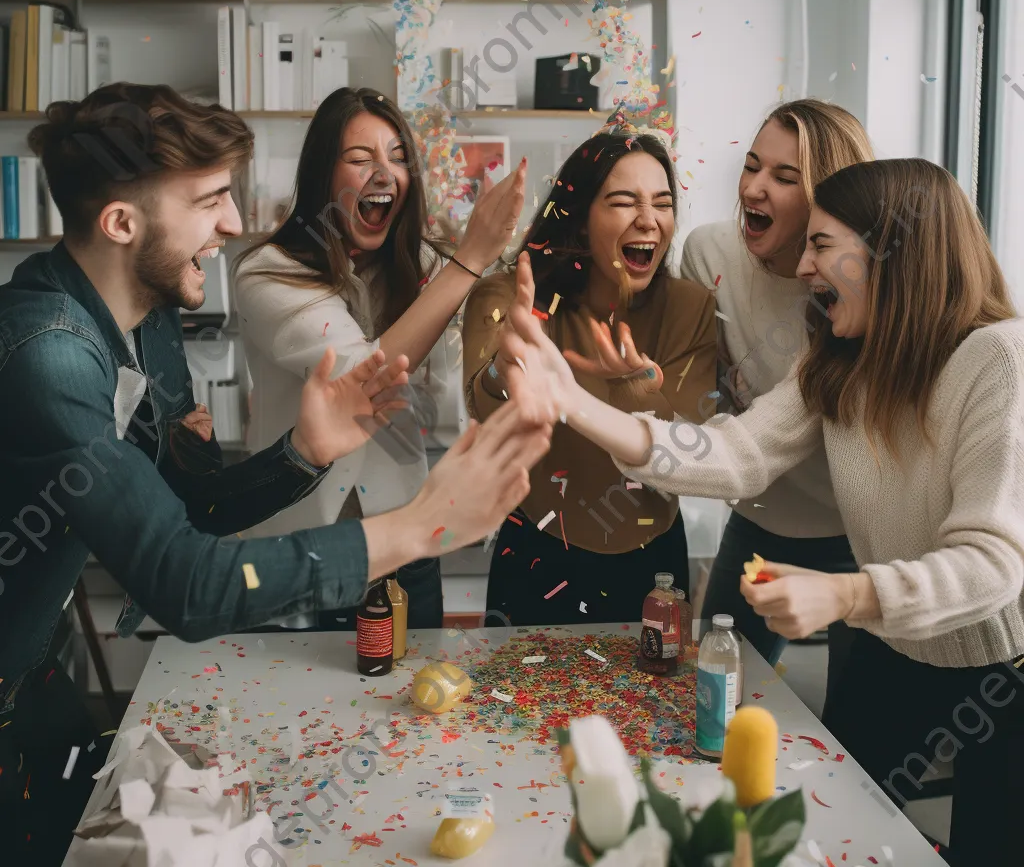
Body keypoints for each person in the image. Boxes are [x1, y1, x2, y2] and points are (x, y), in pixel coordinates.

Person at [0, 83, 550, 866]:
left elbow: (191, 505)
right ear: (121, 223)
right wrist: (419, 527)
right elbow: (183, 582)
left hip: (35, 670)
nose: (232, 223)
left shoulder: (147, 314)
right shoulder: (47, 355)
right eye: (211, 200)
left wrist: (304, 453)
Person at [500, 158, 1024, 865]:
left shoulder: (997, 358)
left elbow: (992, 563)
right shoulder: (837, 360)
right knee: (849, 834)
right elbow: (734, 454)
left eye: (822, 244)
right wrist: (575, 402)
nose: (803, 267)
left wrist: (846, 592)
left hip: (1003, 667)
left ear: (894, 254)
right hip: (890, 651)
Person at [234, 86, 526, 631]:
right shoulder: (267, 271)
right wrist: (469, 260)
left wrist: (504, 358)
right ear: (322, 175)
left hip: (405, 540)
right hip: (301, 546)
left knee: (413, 705)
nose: (383, 174)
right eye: (359, 158)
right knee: (295, 710)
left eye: (397, 158)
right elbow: (359, 379)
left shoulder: (423, 267)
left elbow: (453, 388)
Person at [462, 128, 717, 626]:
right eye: (624, 202)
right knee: (520, 704)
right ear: (579, 222)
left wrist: (636, 387)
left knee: (653, 703)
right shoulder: (510, 296)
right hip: (536, 554)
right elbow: (483, 404)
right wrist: (505, 368)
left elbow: (692, 444)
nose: (648, 219)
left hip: (654, 564)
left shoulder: (690, 306)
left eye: (662, 203)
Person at [679, 98, 874, 694]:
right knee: (711, 694)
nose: (753, 188)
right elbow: (701, 397)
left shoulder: (866, 283)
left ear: (827, 199)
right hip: (759, 522)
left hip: (863, 539)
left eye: (785, 178)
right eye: (752, 165)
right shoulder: (708, 255)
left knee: (861, 732)